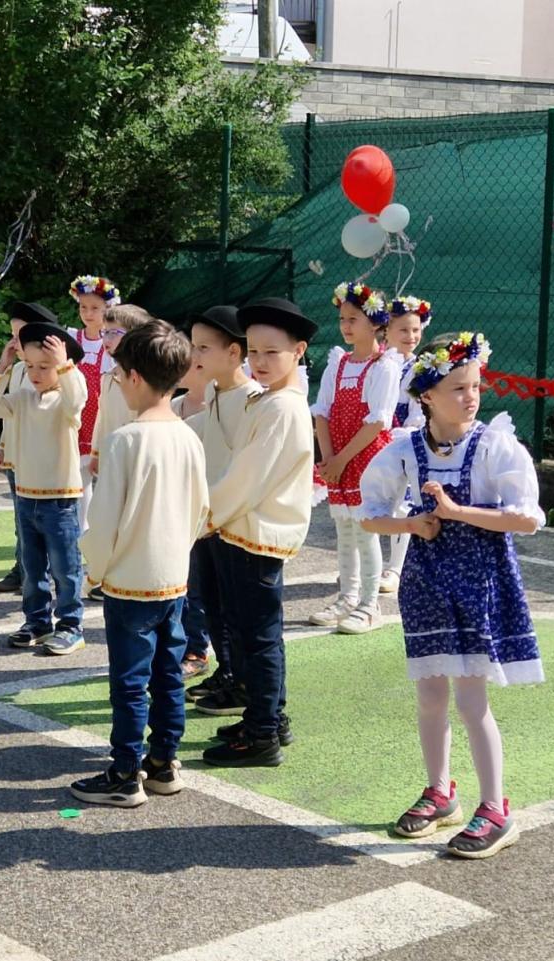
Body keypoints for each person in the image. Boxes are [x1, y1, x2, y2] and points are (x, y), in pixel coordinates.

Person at [359, 331, 543, 859]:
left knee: (471, 699)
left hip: (478, 579)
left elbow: (527, 518)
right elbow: (371, 513)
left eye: (475, 386)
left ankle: (496, 808)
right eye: (458, 387)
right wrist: (412, 524)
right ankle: (440, 792)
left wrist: (457, 512)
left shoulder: (494, 445)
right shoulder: (405, 449)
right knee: (430, 695)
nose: (471, 396)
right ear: (427, 396)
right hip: (427, 582)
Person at [70, 320, 209, 806]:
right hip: (174, 576)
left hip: (130, 579)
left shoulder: (124, 440)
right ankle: (163, 763)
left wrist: (94, 570)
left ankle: (125, 772)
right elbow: (201, 508)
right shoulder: (189, 435)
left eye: (117, 374)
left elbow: (105, 518)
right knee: (168, 673)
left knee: (129, 681)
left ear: (133, 377)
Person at [200, 298, 317, 768]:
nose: (260, 362)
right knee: (253, 633)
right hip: (245, 532)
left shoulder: (282, 407)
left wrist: (203, 517)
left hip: (256, 535)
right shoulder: (266, 399)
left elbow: (245, 479)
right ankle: (267, 717)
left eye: (273, 352)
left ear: (299, 351)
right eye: (253, 351)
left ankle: (262, 732)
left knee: (258, 637)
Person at [0, 315, 88, 655]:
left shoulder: (67, 401)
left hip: (60, 499)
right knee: (32, 566)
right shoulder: (23, 398)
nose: (35, 373)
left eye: (45, 366)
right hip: (26, 496)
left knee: (66, 568)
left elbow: (77, 399)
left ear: (63, 366)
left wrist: (65, 365)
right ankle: (37, 622)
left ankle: (71, 625)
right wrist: (3, 366)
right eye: (29, 366)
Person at [183, 306, 267, 717]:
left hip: (229, 520)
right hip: (208, 516)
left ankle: (242, 683)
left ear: (234, 352)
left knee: (236, 611)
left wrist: (214, 512)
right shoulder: (215, 391)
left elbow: (244, 470)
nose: (194, 354)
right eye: (193, 345)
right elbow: (203, 431)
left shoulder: (252, 399)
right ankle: (227, 671)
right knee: (213, 604)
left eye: (203, 347)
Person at [309, 281, 401, 635]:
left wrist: (342, 459)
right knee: (344, 532)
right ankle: (347, 597)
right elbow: (322, 412)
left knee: (365, 531)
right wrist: (329, 457)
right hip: (338, 459)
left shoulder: (384, 366)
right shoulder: (338, 362)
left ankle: (369, 604)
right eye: (342, 319)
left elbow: (377, 422)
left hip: (366, 459)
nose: (346, 326)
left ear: (376, 323)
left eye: (354, 319)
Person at [84, 302, 154, 601]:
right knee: (110, 518)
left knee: (135, 519)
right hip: (112, 460)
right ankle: (110, 574)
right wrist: (97, 452)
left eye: (114, 332)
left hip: (137, 461)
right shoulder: (109, 376)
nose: (107, 338)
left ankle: (137, 575)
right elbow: (103, 418)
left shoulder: (145, 379)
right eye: (105, 332)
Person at [0, 302, 53, 594]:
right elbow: (7, 412)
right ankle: (22, 567)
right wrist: (3, 446)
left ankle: (41, 572)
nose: (14, 342)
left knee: (43, 519)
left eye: (21, 335)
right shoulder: (17, 370)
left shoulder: (55, 372)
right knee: (21, 518)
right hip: (16, 455)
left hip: (40, 458)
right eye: (13, 335)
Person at [378, 295, 430, 595]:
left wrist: (395, 438)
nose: (411, 336)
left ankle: (395, 568)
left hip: (400, 444)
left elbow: (416, 415)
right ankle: (361, 566)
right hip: (370, 442)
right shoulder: (378, 363)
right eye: (404, 330)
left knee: (400, 505)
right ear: (386, 331)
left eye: (416, 330)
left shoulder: (419, 370)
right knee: (364, 504)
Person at [171, 340, 212, 680]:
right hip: (175, 506)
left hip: (205, 510)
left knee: (198, 584)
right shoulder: (172, 406)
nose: (188, 370)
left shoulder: (217, 408)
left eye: (197, 365)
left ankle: (197, 649)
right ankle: (181, 646)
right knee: (180, 581)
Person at [67, 274, 122, 531]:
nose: (88, 314)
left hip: (103, 415)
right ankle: (83, 531)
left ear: (107, 308)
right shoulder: (71, 337)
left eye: (95, 308)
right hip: (76, 416)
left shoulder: (111, 343)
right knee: (80, 478)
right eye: (83, 307)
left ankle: (107, 529)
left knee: (109, 477)